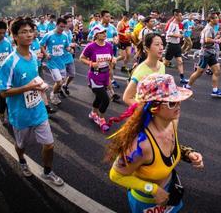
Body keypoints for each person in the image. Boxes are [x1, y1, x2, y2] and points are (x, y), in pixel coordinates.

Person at [107, 73, 203, 212]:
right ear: (154, 107)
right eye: (171, 102)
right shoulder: (139, 145)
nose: (178, 105)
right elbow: (115, 175)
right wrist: (152, 189)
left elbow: (170, 148)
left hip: (171, 190)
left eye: (178, 99)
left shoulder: (172, 122)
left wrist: (188, 153)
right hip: (147, 203)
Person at [0, 17, 64, 186]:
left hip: (38, 110)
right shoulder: (9, 62)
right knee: (21, 145)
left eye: (30, 31)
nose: (28, 35)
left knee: (49, 145)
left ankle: (48, 171)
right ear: (15, 37)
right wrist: (26, 88)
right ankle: (21, 160)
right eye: (23, 32)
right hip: (20, 115)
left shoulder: (34, 56)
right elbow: (4, 93)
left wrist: (40, 86)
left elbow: (34, 79)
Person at [80, 25, 117, 132]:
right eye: (102, 32)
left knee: (99, 98)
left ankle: (93, 113)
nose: (105, 34)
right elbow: (81, 58)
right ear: (96, 35)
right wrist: (91, 63)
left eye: (105, 32)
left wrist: (113, 61)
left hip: (105, 75)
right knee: (105, 99)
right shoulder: (91, 46)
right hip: (94, 76)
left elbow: (111, 58)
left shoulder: (109, 45)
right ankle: (101, 119)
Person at [184, 12, 221, 98]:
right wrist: (217, 41)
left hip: (211, 53)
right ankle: (187, 86)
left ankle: (215, 91)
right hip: (205, 54)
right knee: (199, 72)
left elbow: (205, 38)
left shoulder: (211, 28)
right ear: (211, 20)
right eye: (216, 18)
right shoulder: (209, 28)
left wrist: (216, 38)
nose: (218, 19)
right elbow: (207, 39)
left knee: (217, 71)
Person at [123, 33, 166, 106]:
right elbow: (127, 98)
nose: (161, 47)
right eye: (157, 44)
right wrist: (145, 110)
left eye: (161, 44)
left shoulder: (162, 65)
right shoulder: (140, 71)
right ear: (147, 48)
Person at [40, 17, 70, 106]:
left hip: (61, 62)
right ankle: (53, 95)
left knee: (62, 81)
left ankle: (55, 93)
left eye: (64, 27)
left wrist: (70, 49)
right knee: (59, 82)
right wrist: (46, 54)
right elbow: (41, 45)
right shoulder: (49, 35)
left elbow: (66, 47)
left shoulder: (65, 35)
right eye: (61, 26)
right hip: (52, 62)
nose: (62, 29)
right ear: (56, 25)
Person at [164, 9, 188, 85]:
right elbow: (168, 34)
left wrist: (181, 34)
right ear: (175, 16)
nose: (182, 17)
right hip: (171, 45)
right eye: (180, 15)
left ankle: (182, 78)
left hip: (177, 45)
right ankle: (156, 76)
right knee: (165, 63)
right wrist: (178, 35)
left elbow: (177, 33)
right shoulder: (172, 24)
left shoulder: (178, 24)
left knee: (180, 62)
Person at [61, 15, 77, 96]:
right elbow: (61, 44)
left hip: (69, 56)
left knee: (72, 74)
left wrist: (73, 45)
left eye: (71, 21)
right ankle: (58, 90)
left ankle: (65, 85)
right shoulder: (61, 33)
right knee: (61, 77)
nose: (70, 23)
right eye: (68, 21)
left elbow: (70, 43)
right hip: (61, 57)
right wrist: (71, 45)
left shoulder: (70, 32)